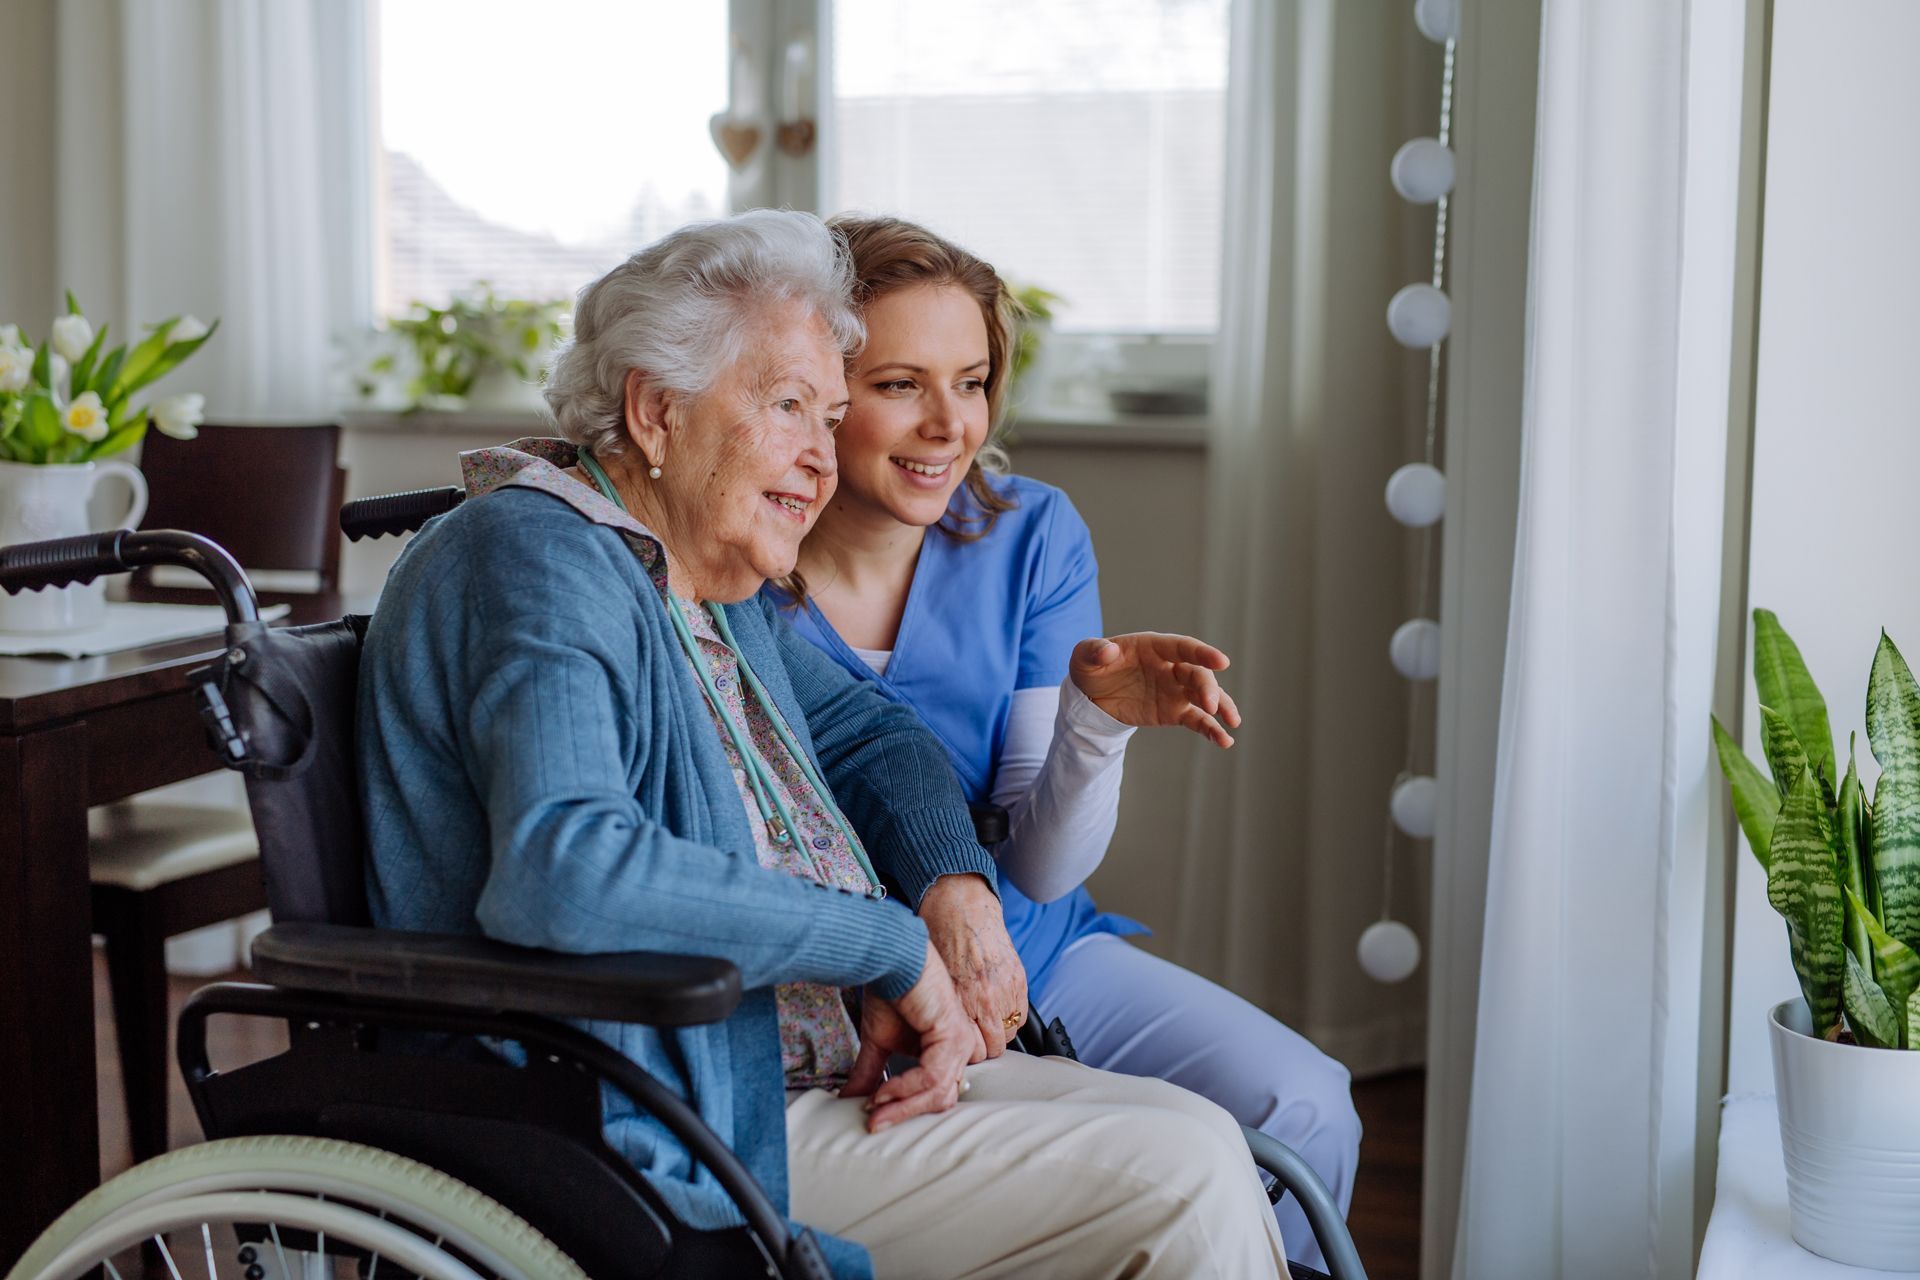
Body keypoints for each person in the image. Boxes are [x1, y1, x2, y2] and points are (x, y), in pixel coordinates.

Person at [358, 209, 1288, 1279]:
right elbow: (565, 873)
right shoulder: (539, 557)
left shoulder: (698, 574)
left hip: (782, 1070)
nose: (819, 456)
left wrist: (949, 881)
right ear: (658, 411)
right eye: (791, 406)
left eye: (832, 411)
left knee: (1209, 1139)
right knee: (1179, 1181)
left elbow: (869, 727)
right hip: (649, 1114)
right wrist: (887, 944)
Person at [770, 213, 1362, 1270]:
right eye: (901, 382)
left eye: (974, 378)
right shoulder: (742, 556)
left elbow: (1041, 862)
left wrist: (1097, 724)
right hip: (849, 991)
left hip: (1036, 947)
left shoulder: (1027, 531)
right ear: (816, 385)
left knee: (1307, 1102)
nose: (950, 423)